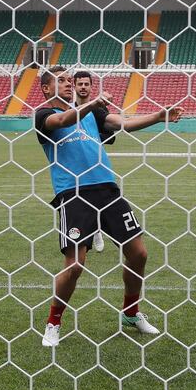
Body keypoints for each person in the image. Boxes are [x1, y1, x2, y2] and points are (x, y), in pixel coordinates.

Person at [35, 66, 184, 347]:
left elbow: (123, 123)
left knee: (139, 254)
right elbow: (63, 119)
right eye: (62, 81)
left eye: (70, 80)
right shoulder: (43, 115)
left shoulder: (93, 113)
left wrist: (159, 117)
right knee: (76, 265)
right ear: (45, 89)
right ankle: (53, 322)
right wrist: (91, 102)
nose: (68, 84)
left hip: (108, 189)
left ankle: (131, 312)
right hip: (74, 194)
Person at [73, 70, 116, 253]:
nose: (83, 87)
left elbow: (111, 137)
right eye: (80, 84)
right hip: (74, 163)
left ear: (91, 86)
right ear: (74, 86)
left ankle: (100, 229)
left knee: (101, 200)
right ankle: (91, 231)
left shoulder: (99, 108)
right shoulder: (68, 108)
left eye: (86, 84)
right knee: (79, 202)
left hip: (95, 161)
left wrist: (89, 136)